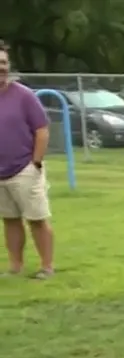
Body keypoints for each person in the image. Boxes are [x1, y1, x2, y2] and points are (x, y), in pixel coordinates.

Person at [0, 41, 56, 279]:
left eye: (3, 62)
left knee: (37, 219)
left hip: (25, 169)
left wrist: (35, 163)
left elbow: (41, 130)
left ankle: (47, 267)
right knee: (10, 220)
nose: (1, 67)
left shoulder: (23, 96)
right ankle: (15, 266)